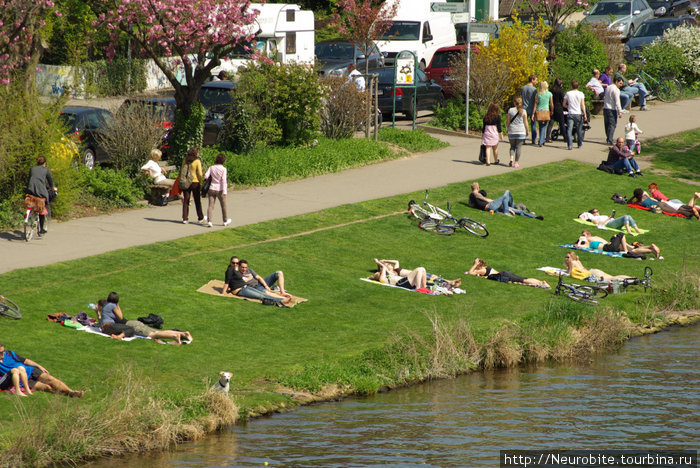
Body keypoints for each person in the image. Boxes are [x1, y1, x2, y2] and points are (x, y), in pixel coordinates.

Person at [95, 295, 194, 345]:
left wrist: (97, 312)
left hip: (133, 325)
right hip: (133, 322)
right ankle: (183, 334)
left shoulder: (109, 309)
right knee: (156, 332)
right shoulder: (114, 307)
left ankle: (175, 336)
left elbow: (106, 320)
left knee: (153, 334)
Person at [0, 343, 84, 398]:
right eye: (1, 352)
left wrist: (39, 366)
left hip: (31, 370)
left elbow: (26, 361)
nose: (3, 353)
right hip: (23, 380)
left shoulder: (10, 354)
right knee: (46, 387)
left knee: (50, 379)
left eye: (3, 351)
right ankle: (68, 394)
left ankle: (71, 392)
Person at [224, 259, 293, 305]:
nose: (244, 269)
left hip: (260, 284)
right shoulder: (237, 274)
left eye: (245, 267)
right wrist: (224, 291)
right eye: (242, 267)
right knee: (266, 293)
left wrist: (266, 285)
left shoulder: (249, 270)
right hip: (255, 288)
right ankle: (281, 299)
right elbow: (230, 282)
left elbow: (259, 278)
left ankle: (282, 292)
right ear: (239, 266)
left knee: (279, 273)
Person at [371, 259, 461, 290]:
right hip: (403, 282)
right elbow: (383, 269)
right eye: (387, 266)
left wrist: (385, 261)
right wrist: (378, 263)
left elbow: (396, 261)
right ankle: (420, 288)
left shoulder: (393, 271)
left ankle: (423, 288)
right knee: (421, 270)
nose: (389, 265)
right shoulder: (385, 278)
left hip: (410, 279)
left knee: (425, 271)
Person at [468, 182, 543, 219]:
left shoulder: (472, 196)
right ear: (477, 188)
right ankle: (507, 211)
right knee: (505, 196)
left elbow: (471, 204)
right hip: (490, 206)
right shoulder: (475, 194)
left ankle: (535, 217)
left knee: (518, 211)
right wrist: (496, 201)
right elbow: (487, 200)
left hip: (491, 207)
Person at [25, 156, 57, 237]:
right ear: (44, 163)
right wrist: (54, 188)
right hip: (40, 192)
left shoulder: (32, 169)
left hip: (30, 190)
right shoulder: (46, 170)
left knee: (31, 203)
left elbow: (30, 180)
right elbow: (51, 181)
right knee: (42, 208)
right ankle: (42, 229)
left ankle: (28, 217)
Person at [467, 258, 550, 288]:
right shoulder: (484, 267)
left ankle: (541, 283)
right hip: (505, 273)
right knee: (522, 278)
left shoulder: (481, 270)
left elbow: (470, 273)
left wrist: (474, 265)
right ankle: (540, 282)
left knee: (522, 280)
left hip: (503, 275)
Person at [576, 230, 662, 258]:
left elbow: (605, 242)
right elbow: (579, 247)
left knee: (633, 250)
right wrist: (580, 241)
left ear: (588, 234)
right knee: (621, 234)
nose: (583, 236)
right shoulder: (587, 243)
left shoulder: (592, 239)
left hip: (610, 247)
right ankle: (625, 250)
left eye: (584, 235)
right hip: (609, 248)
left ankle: (650, 249)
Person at [628, 188, 700, 219]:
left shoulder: (639, 202)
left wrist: (633, 197)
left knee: (677, 212)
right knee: (679, 209)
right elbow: (644, 193)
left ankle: (692, 212)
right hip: (661, 203)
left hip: (660, 206)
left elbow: (629, 202)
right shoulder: (645, 196)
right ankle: (693, 210)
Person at [562, 251, 634, 282]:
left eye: (568, 257)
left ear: (572, 257)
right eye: (566, 257)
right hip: (593, 271)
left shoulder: (572, 262)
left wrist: (566, 266)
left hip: (592, 274)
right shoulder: (577, 261)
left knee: (612, 278)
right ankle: (630, 278)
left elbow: (569, 273)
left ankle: (630, 280)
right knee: (613, 276)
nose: (566, 258)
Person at [203, 153, 231, 228]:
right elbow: (224, 180)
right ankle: (225, 221)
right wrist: (225, 191)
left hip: (211, 188)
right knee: (223, 205)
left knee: (210, 206)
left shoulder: (211, 167)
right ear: (223, 161)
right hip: (220, 189)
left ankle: (210, 221)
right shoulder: (223, 169)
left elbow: (206, 176)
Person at [180, 147, 205, 224]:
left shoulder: (185, 160)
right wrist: (200, 181)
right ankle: (200, 217)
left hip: (185, 181)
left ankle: (185, 218)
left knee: (186, 200)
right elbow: (200, 173)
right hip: (195, 181)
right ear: (196, 153)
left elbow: (182, 171)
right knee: (197, 200)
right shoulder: (197, 161)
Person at [578, 208, 643, 235]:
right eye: (596, 211)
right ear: (593, 213)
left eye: (598, 211)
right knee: (626, 216)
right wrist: (608, 218)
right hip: (609, 224)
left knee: (628, 216)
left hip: (613, 222)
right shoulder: (594, 218)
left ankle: (636, 229)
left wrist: (611, 217)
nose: (598, 212)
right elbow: (599, 224)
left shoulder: (600, 216)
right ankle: (629, 230)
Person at [563, 80, 587, 150]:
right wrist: (585, 114)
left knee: (569, 129)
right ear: (578, 86)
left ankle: (570, 145)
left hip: (570, 113)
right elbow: (582, 105)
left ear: (571, 86)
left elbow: (564, 104)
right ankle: (579, 143)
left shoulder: (568, 93)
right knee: (579, 130)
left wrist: (568, 107)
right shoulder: (581, 93)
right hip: (578, 113)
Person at [506, 96, 529, 168]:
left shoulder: (510, 110)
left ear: (514, 103)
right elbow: (525, 122)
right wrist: (527, 130)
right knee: (518, 147)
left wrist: (507, 128)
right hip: (521, 131)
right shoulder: (524, 111)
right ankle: (516, 162)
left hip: (512, 131)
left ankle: (511, 158)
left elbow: (508, 121)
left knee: (512, 146)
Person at [602, 77, 624, 145]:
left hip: (605, 108)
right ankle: (609, 140)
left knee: (607, 124)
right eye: (620, 83)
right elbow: (617, 101)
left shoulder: (608, 87)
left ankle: (608, 137)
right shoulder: (616, 90)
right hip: (612, 109)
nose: (621, 85)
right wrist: (620, 111)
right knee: (612, 125)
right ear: (616, 81)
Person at [545, 78, 566, 143]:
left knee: (551, 123)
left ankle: (547, 137)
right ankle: (565, 137)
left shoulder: (551, 90)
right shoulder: (561, 90)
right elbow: (562, 99)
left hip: (552, 107)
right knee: (562, 123)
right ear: (560, 84)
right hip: (559, 107)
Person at [533, 81, 553, 147]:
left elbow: (535, 104)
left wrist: (533, 113)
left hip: (539, 111)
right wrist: (552, 110)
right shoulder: (549, 94)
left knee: (541, 126)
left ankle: (541, 140)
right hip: (546, 111)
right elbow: (551, 104)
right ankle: (541, 141)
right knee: (544, 126)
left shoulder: (538, 94)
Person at [521, 74, 538, 144]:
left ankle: (523, 139)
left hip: (524, 108)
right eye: (536, 80)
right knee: (533, 124)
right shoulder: (534, 90)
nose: (536, 81)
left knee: (523, 124)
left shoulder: (523, 88)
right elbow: (535, 101)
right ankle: (533, 139)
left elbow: (521, 98)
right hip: (532, 108)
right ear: (532, 80)